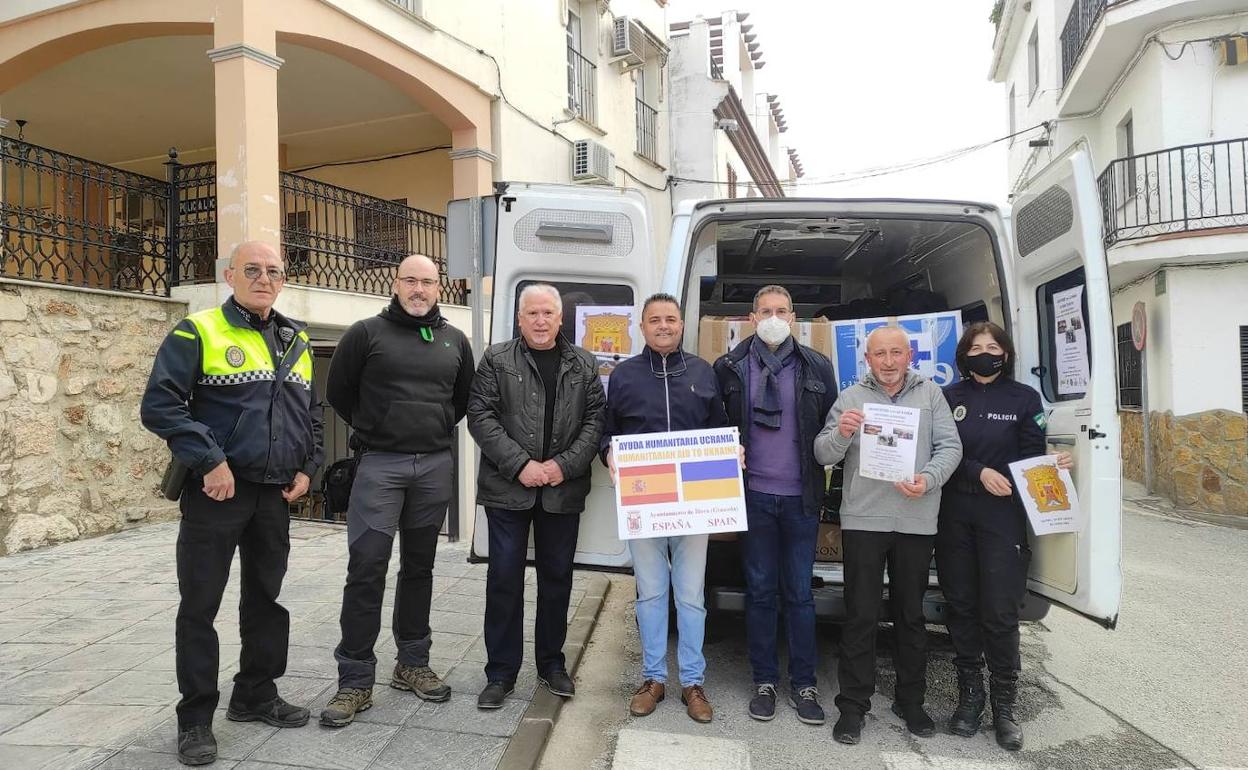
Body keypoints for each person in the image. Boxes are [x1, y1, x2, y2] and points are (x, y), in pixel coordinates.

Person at [141, 241, 323, 766]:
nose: (263, 278)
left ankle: (255, 694)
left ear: (283, 281)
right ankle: (196, 718)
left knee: (266, 600)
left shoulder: (296, 336)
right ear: (229, 276)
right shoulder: (197, 330)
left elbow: (311, 410)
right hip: (217, 492)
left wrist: (308, 467)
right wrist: (208, 460)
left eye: (272, 271)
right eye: (252, 270)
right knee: (200, 606)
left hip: (273, 495)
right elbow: (160, 405)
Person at [318, 254, 475, 727]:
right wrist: (377, 427)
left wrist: (433, 427)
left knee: (420, 567)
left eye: (428, 281)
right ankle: (355, 680)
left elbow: (463, 399)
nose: (419, 289)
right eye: (411, 280)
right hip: (379, 466)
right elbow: (340, 393)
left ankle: (412, 663)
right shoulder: (365, 333)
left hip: (432, 466)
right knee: (366, 568)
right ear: (396, 283)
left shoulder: (455, 340)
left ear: (439, 287)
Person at [813, 325, 962, 745]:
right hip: (864, 520)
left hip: (915, 520)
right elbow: (821, 452)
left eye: (897, 352)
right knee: (860, 616)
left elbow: (951, 448)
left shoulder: (931, 394)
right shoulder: (852, 397)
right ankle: (852, 706)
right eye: (881, 354)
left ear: (909, 354)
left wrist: (929, 479)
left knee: (910, 617)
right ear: (868, 358)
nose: (889, 361)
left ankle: (910, 701)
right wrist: (842, 433)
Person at [467, 284, 606, 709]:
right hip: (508, 491)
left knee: (557, 581)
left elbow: (595, 420)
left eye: (549, 312)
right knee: (504, 581)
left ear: (560, 317)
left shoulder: (584, 363)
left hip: (561, 491)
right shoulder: (496, 359)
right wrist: (520, 465)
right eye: (533, 313)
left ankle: (552, 665)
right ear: (520, 318)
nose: (541, 320)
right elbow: (480, 415)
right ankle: (501, 674)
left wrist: (562, 465)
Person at [938, 321, 1071, 751]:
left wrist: (1052, 462)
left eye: (993, 346)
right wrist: (978, 472)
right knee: (961, 605)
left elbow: (1032, 454)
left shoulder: (1025, 399)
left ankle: (1004, 707)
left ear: (1006, 353)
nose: (985, 353)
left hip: (1004, 517)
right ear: (964, 355)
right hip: (955, 512)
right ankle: (969, 699)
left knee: (999, 611)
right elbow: (939, 453)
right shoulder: (948, 397)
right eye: (976, 347)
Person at [712, 285, 837, 726]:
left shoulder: (818, 367)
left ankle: (804, 685)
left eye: (781, 310)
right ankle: (764, 681)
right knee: (761, 593)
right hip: (753, 498)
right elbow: (714, 427)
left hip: (801, 499)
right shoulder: (728, 367)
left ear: (793, 318)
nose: (773, 317)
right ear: (750, 318)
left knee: (800, 594)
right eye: (765, 310)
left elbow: (830, 431)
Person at [602, 293, 728, 724]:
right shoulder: (624, 376)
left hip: (694, 505)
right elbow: (607, 431)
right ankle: (653, 678)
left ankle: (693, 682)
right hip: (645, 503)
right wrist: (608, 455)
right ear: (642, 326)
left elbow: (720, 431)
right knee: (652, 594)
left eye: (670, 319)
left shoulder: (703, 372)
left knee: (691, 597)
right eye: (654, 320)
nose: (663, 326)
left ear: (680, 325)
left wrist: (733, 456)